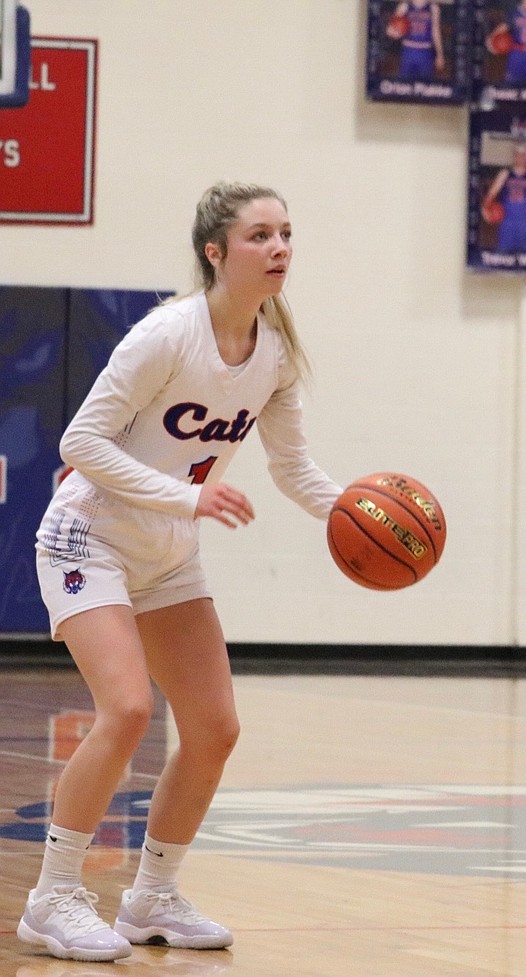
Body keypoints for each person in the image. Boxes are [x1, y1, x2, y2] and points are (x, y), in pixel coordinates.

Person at [17, 182, 344, 962]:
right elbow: (79, 444)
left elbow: (293, 468)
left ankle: (151, 895)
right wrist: (187, 495)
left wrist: (354, 511)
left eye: (287, 234)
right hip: (86, 536)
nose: (279, 249)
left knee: (214, 728)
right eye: (260, 235)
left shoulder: (275, 353)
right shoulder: (166, 335)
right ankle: (52, 897)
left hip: (167, 552)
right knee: (126, 709)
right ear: (215, 251)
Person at [482, 145, 526, 253]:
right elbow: (492, 192)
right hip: (507, 222)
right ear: (514, 157)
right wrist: (485, 209)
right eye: (518, 155)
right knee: (503, 256)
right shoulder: (505, 173)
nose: (521, 157)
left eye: (523, 155)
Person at [388, 0, 446, 81]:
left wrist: (440, 54)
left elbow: (436, 32)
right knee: (404, 86)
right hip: (408, 51)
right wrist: (395, 33)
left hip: (426, 53)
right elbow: (390, 30)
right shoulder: (404, 6)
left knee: (425, 86)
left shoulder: (434, 8)